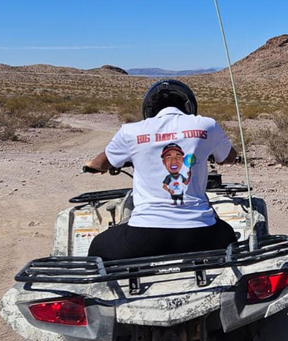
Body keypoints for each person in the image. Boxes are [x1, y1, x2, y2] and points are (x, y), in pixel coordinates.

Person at [84, 79, 238, 261]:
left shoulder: (130, 131)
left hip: (144, 236)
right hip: (202, 235)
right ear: (188, 106)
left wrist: (92, 165)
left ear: (149, 109)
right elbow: (229, 157)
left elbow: (102, 163)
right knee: (229, 237)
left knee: (98, 246)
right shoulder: (206, 125)